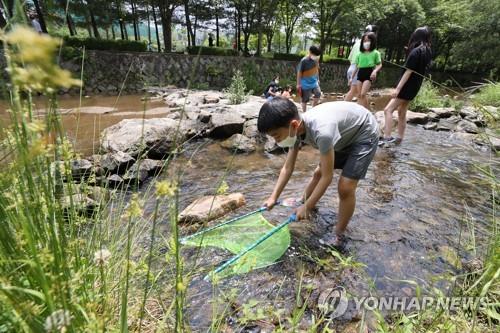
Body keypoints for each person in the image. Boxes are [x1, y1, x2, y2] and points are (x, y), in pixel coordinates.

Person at [258, 98, 379, 250]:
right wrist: (273, 197)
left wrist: (307, 208)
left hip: (364, 133)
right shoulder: (294, 131)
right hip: (344, 134)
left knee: (345, 187)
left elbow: (328, 178)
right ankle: (304, 201)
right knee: (318, 173)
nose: (277, 141)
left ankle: (339, 234)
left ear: (294, 125)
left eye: (276, 136)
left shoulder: (322, 132)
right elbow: (287, 168)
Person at [380, 27, 432, 146]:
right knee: (402, 112)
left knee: (388, 110)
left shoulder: (415, 52)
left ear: (416, 36)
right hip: (415, 87)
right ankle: (400, 138)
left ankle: (387, 138)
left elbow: (408, 72)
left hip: (406, 86)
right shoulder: (427, 51)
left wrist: (397, 89)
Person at [349, 32, 382, 109]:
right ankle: (365, 110)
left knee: (363, 94)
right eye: (364, 41)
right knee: (359, 95)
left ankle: (365, 112)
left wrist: (375, 71)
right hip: (360, 74)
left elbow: (379, 64)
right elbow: (356, 67)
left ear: (372, 42)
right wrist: (351, 78)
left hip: (369, 74)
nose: (366, 43)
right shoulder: (359, 54)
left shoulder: (376, 53)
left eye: (368, 41)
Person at [345, 25, 377, 102]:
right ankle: (342, 108)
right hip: (359, 69)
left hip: (351, 68)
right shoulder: (369, 45)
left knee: (358, 93)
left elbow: (350, 58)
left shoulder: (357, 43)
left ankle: (364, 110)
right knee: (355, 92)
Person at [297, 45, 322, 112]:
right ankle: (305, 114)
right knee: (305, 99)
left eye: (317, 55)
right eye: (314, 54)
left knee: (318, 93)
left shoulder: (316, 59)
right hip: (305, 83)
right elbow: (299, 73)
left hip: (314, 82)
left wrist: (318, 78)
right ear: (310, 52)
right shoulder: (303, 61)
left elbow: (317, 69)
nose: (315, 56)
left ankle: (312, 110)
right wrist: (298, 84)